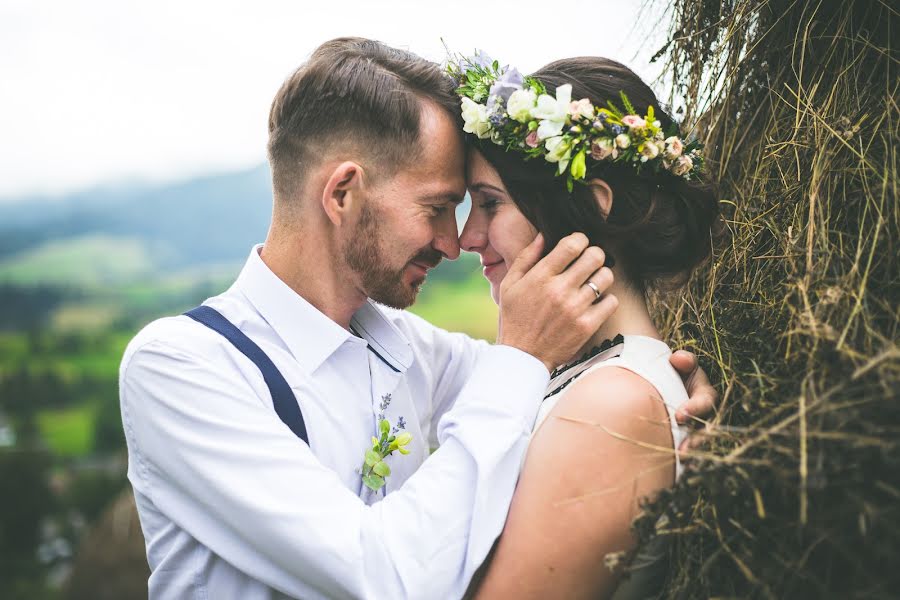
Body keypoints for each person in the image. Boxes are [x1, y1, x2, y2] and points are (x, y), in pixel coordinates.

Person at [119, 38, 716, 599]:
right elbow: (385, 577)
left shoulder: (408, 347)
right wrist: (531, 358)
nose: (454, 242)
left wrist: (659, 382)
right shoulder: (183, 365)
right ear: (343, 194)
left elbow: (568, 391)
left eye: (479, 206)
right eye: (438, 208)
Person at [452, 54, 721, 598]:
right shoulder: (594, 381)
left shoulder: (613, 409)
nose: (467, 238)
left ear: (593, 210)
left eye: (490, 204)